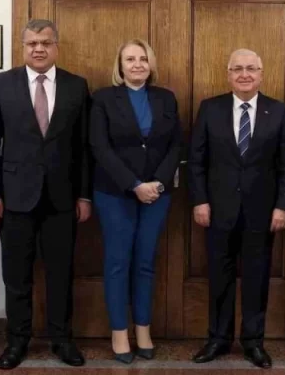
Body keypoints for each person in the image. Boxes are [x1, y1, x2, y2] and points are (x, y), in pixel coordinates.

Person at [0, 19, 92, 370]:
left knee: (61, 273)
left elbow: (84, 147)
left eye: (45, 42)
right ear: (23, 47)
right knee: (16, 276)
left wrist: (85, 196)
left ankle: (62, 339)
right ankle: (17, 341)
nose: (39, 49)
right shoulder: (1, 84)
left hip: (63, 198)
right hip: (15, 198)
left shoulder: (77, 86)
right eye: (32, 43)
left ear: (56, 46)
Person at [188, 48, 285, 370]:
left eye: (251, 68)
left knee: (256, 278)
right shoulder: (210, 109)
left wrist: (283, 206)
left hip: (261, 212)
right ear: (228, 74)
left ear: (261, 74)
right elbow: (196, 161)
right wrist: (200, 200)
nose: (244, 74)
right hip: (217, 210)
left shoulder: (278, 111)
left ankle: (253, 342)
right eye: (237, 69)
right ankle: (218, 339)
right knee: (219, 278)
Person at [89, 39, 181, 364]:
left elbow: (175, 145)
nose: (137, 64)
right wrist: (134, 184)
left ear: (150, 64)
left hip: (157, 193)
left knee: (145, 262)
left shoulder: (166, 98)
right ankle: (119, 333)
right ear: (120, 65)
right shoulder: (103, 99)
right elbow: (99, 147)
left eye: (143, 58)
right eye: (130, 59)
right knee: (118, 263)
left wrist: (157, 183)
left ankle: (143, 330)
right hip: (115, 193)